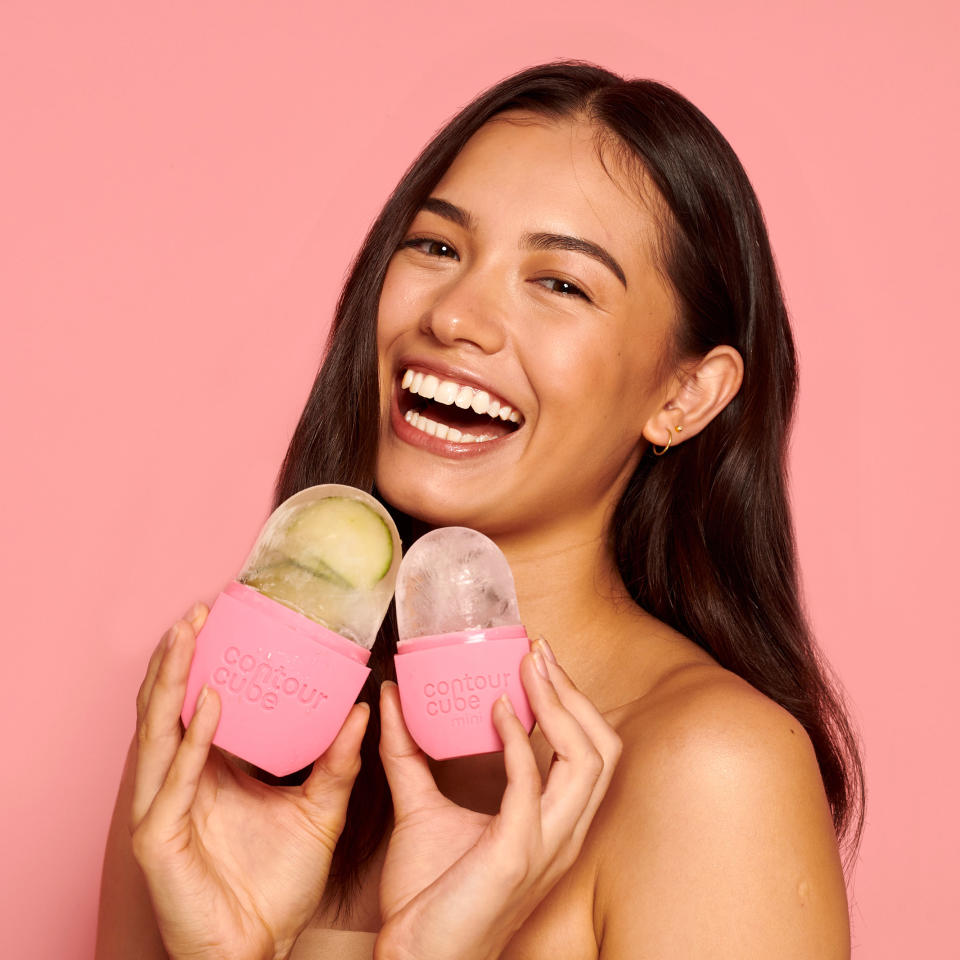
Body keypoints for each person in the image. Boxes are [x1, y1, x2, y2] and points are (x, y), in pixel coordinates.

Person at [96, 60, 864, 959]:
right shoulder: (230, 713)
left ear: (686, 396)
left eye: (562, 284)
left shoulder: (715, 771)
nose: (457, 316)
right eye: (436, 248)